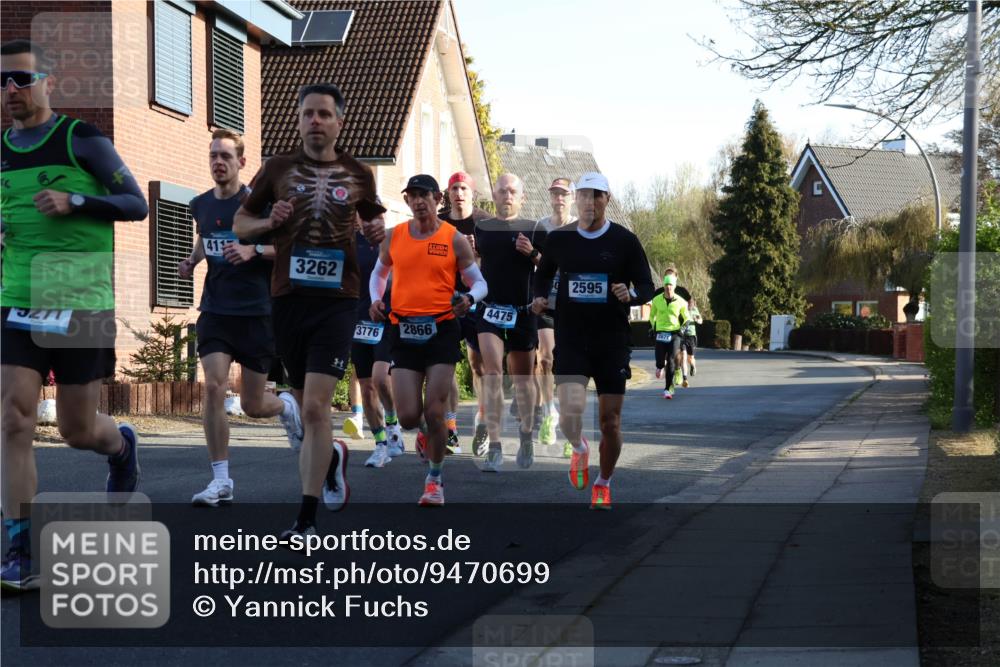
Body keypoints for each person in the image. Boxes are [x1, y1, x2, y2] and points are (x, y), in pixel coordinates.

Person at [1, 40, 149, 590]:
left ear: (48, 81)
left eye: (21, 79)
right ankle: (19, 548)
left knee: (76, 429)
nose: (10, 91)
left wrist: (77, 202)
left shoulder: (80, 139)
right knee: (13, 417)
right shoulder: (0, 148)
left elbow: (138, 203)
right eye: (1, 83)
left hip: (79, 299)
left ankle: (121, 445)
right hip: (17, 297)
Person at [233, 82, 385, 540]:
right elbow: (242, 224)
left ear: (340, 122)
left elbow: (374, 223)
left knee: (317, 408)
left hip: (338, 302)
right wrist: (269, 223)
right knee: (303, 404)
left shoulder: (360, 173)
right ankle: (332, 457)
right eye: (308, 114)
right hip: (287, 301)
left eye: (324, 114)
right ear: (298, 120)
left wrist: (377, 229)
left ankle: (305, 518)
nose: (315, 120)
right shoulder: (277, 168)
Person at [178, 129, 293, 507]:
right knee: (213, 386)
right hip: (215, 310)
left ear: (242, 162)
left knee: (253, 405)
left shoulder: (257, 204)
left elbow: (287, 248)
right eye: (213, 155)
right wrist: (194, 260)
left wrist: (252, 250)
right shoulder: (200, 204)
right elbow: (205, 236)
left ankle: (287, 406)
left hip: (256, 312)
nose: (218, 162)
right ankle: (221, 481)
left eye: (226, 156)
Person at [532, 172, 654, 510]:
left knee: (610, 421)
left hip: (611, 341)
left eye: (596, 196)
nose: (590, 202)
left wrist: (628, 293)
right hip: (571, 337)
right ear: (577, 199)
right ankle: (581, 448)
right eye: (584, 195)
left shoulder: (624, 241)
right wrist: (539, 298)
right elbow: (541, 277)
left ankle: (603, 482)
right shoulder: (560, 240)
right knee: (571, 414)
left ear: (606, 200)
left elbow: (647, 286)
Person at [369, 174, 485, 506]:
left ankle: (434, 481)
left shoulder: (454, 239)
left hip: (442, 329)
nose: (419, 201)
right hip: (403, 329)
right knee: (408, 416)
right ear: (406, 201)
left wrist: (470, 299)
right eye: (412, 195)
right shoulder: (394, 237)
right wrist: (376, 300)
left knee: (436, 412)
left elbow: (478, 282)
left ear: (437, 198)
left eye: (425, 195)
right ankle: (424, 431)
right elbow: (379, 274)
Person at [475, 174, 546, 471]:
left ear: (522, 197)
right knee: (492, 371)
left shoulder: (534, 228)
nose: (507, 195)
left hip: (523, 311)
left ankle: (526, 436)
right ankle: (494, 445)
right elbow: (473, 265)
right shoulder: (483, 228)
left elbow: (551, 268)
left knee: (522, 381)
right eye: (502, 190)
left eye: (512, 191)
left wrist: (532, 253)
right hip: (490, 310)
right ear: (494, 194)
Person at [438, 171, 490, 455]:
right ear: (448, 192)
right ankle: (451, 430)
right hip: (445, 300)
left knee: (478, 365)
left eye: (463, 188)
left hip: (475, 300)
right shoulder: (440, 221)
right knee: (446, 366)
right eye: (454, 188)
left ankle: (481, 420)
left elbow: (492, 269)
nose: (459, 193)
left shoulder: (485, 223)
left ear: (472, 193)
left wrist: (476, 254)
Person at [351, 214, 404, 468]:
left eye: (377, 216)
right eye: (366, 217)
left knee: (382, 378)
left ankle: (393, 424)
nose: (372, 221)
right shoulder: (349, 242)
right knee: (367, 387)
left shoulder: (394, 240)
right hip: (358, 321)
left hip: (388, 318)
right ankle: (380, 444)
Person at [534, 177, 575, 454]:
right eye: (555, 194)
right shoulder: (540, 226)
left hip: (573, 306)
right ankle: (549, 412)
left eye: (563, 194)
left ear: (571, 197)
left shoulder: (579, 227)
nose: (559, 198)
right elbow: (532, 260)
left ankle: (572, 423)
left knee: (569, 365)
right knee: (545, 359)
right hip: (546, 304)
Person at [648, 272, 689, 399]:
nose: (668, 287)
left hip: (674, 333)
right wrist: (652, 327)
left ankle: (668, 389)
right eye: (666, 284)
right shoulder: (656, 300)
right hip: (660, 332)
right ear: (664, 285)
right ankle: (660, 367)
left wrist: (682, 329)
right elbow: (651, 316)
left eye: (670, 285)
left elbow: (687, 318)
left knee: (671, 359)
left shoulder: (681, 302)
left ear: (674, 286)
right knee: (660, 361)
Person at [680, 296, 703, 386]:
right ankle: (685, 378)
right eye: (688, 303)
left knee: (690, 358)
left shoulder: (695, 310)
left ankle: (693, 366)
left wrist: (697, 319)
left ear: (693, 303)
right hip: (683, 336)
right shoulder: (682, 309)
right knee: (684, 357)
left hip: (692, 336)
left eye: (691, 303)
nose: (690, 304)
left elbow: (701, 320)